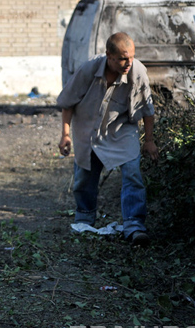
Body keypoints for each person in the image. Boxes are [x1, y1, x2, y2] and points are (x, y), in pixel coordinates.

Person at [57, 32, 159, 246]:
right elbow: (68, 102)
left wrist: (148, 140)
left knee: (132, 173)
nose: (128, 63)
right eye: (122, 58)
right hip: (88, 129)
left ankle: (134, 225)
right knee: (84, 177)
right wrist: (65, 134)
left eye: (131, 57)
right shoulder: (89, 69)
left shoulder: (137, 71)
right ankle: (84, 217)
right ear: (109, 56)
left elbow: (148, 109)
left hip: (122, 129)